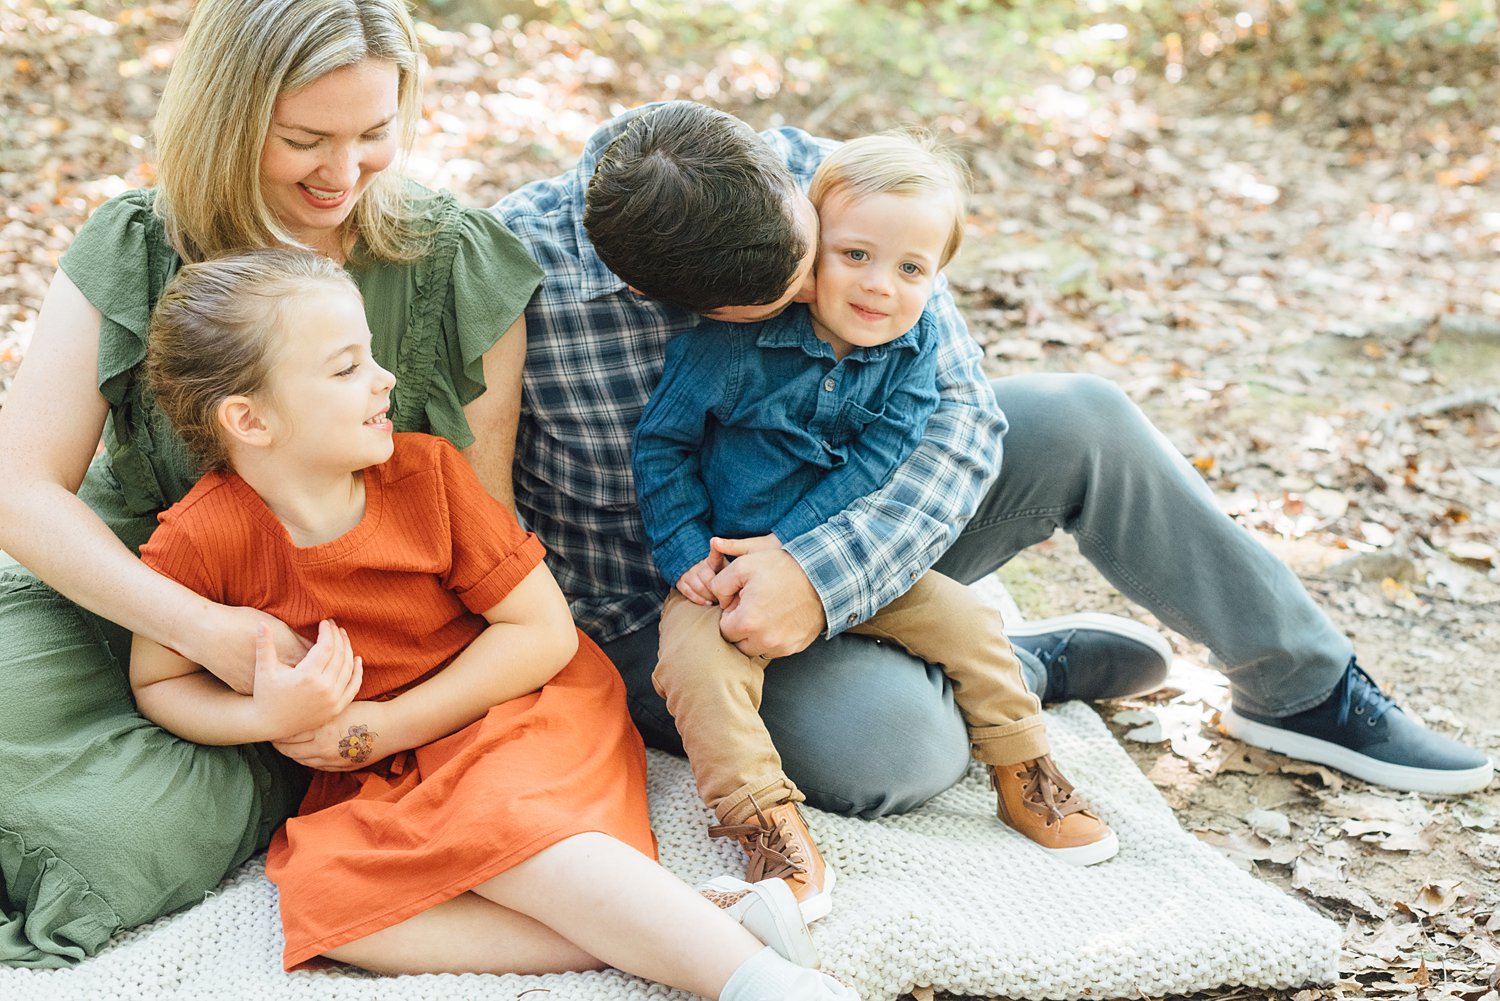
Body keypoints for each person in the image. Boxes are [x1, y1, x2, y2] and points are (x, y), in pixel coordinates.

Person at [495, 99, 1491, 856]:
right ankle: (1017, 668)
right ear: (667, 298)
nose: (823, 291)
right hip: (685, 595)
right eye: (782, 296)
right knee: (902, 754)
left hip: (843, 515)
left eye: (815, 256)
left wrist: (821, 571)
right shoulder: (510, 275)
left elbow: (962, 413)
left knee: (1081, 415)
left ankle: (1302, 684)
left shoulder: (810, 174)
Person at [125, 247, 848, 1000]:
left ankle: (762, 981)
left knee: (501, 825)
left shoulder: (427, 476)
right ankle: (694, 925)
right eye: (346, 369)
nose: (385, 379)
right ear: (249, 419)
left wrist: (388, 724)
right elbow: (160, 680)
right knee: (334, 908)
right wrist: (259, 714)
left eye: (372, 355)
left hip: (511, 709)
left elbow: (542, 634)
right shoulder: (197, 538)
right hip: (383, 769)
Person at [4, 0, 516, 968]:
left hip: (306, 665)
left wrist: (371, 713)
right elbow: (21, 489)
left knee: (113, 838)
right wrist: (203, 628)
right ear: (228, 117)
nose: (342, 173)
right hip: (110, 590)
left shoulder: (451, 260)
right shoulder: (136, 241)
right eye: (303, 140)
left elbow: (492, 540)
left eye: (375, 134)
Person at [633, 132, 1118, 919]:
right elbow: (662, 445)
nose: (879, 286)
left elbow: (884, 455)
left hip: (835, 565)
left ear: (937, 277)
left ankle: (1024, 770)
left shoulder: (914, 347)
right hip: (718, 571)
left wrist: (799, 556)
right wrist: (685, 548)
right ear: (809, 249)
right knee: (694, 666)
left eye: (911, 268)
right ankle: (766, 826)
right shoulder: (728, 344)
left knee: (966, 618)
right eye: (854, 254)